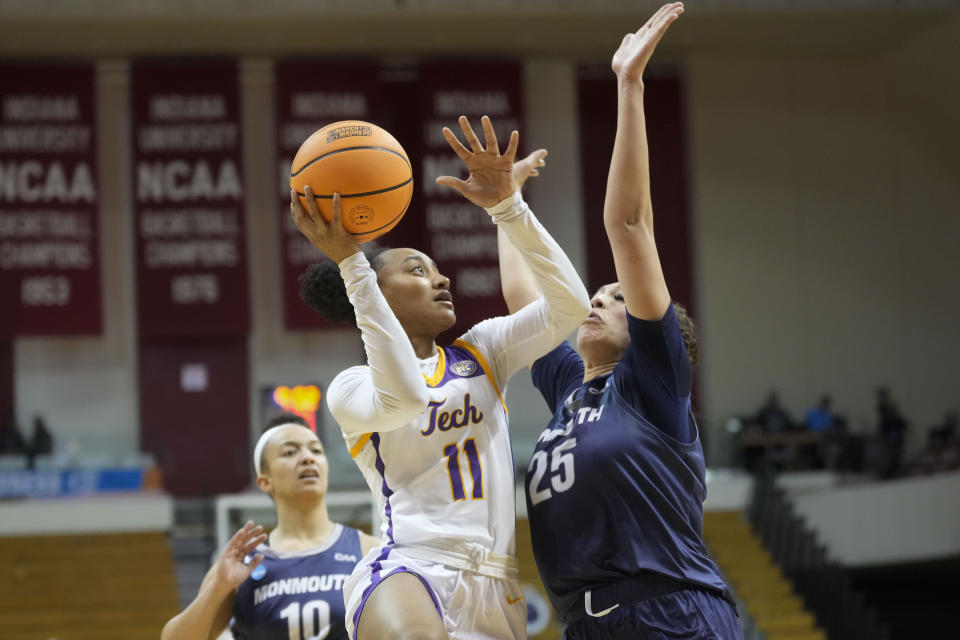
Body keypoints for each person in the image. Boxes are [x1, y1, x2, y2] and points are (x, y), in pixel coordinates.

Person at [292, 115, 590, 640]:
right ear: (375, 291)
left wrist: (508, 207)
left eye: (435, 268)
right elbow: (405, 398)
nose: (441, 277)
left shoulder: (485, 351)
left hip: (498, 585)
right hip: (410, 566)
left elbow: (570, 306)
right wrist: (352, 266)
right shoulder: (351, 387)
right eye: (417, 269)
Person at [498, 4, 743, 638]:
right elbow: (525, 304)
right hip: (586, 625)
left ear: (647, 337)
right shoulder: (569, 387)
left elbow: (629, 226)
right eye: (597, 295)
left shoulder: (653, 387)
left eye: (613, 297)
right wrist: (504, 206)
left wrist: (628, 85)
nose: (597, 301)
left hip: (675, 613)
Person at [161, 413, 380, 640]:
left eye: (315, 450)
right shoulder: (241, 564)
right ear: (265, 481)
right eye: (290, 452)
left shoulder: (368, 550)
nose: (307, 458)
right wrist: (219, 588)